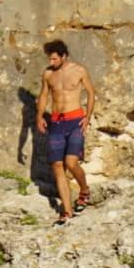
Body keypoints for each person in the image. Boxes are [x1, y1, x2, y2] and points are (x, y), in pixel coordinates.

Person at [34, 39, 96, 221]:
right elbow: (44, 95)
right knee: (57, 166)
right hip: (56, 123)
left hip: (75, 121)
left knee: (71, 163)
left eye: (54, 59)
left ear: (64, 56)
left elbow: (91, 93)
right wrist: (39, 116)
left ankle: (84, 190)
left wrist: (87, 117)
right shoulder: (48, 74)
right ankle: (67, 211)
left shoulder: (79, 70)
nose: (51, 62)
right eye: (49, 59)